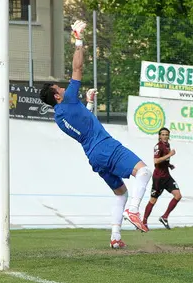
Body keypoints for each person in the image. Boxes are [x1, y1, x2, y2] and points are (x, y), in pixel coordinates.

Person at [39, 20, 153, 249]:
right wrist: (78, 39)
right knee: (144, 172)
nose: (62, 87)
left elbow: (84, 127)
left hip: (93, 156)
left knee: (120, 193)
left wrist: (89, 103)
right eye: (58, 88)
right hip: (105, 146)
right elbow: (78, 69)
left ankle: (115, 237)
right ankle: (134, 210)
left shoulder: (59, 117)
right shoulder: (68, 99)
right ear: (58, 96)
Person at [142, 127, 182, 230]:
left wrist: (169, 165)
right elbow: (156, 161)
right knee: (153, 200)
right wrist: (169, 154)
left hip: (166, 176)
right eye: (163, 134)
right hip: (158, 178)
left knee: (178, 195)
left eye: (166, 134)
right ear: (159, 136)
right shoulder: (158, 147)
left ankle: (165, 217)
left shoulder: (167, 145)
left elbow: (163, 160)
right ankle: (144, 222)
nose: (165, 136)